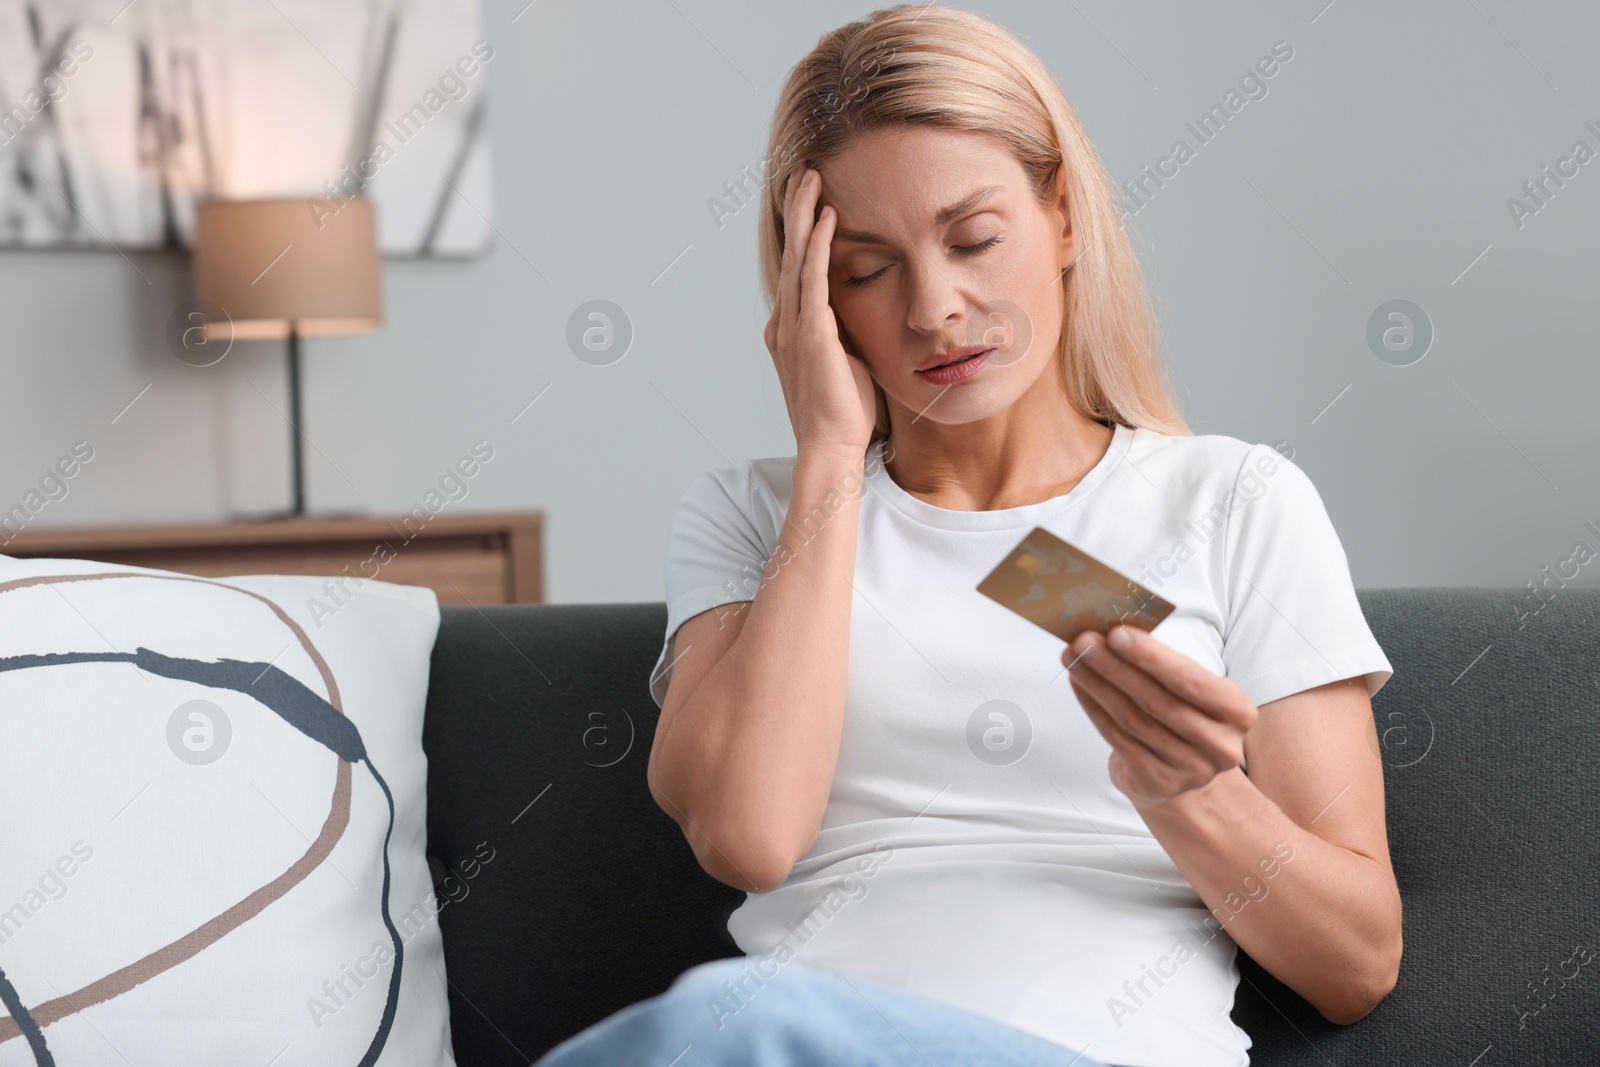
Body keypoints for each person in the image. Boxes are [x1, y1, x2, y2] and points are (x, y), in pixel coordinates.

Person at [537, 5, 1400, 1065]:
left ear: (1066, 218)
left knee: (729, 1018)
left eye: (973, 238)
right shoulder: (750, 514)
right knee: (735, 1017)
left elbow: (1357, 960)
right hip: (785, 1040)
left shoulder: (1229, 501)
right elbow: (749, 834)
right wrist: (826, 461)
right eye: (865, 267)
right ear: (811, 302)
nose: (934, 307)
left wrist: (1193, 794)